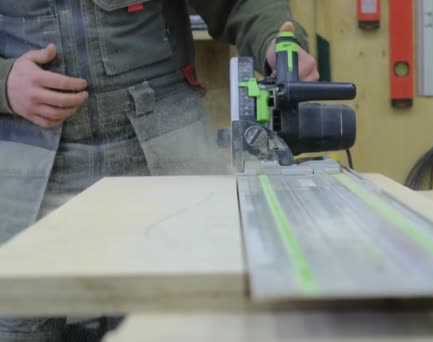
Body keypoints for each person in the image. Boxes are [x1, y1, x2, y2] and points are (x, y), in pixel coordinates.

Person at [0, 0, 319, 340]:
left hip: (166, 151)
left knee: (196, 318)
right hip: (31, 165)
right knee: (20, 322)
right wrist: (4, 83)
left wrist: (276, 43)